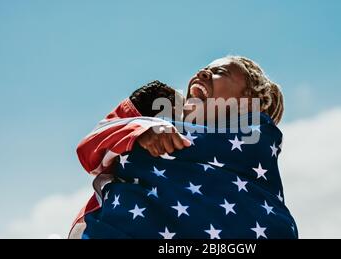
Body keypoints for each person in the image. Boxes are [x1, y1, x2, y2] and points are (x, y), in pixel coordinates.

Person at [69, 56, 297, 239]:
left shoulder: (256, 153)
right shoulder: (154, 124)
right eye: (205, 68)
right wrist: (140, 132)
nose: (202, 72)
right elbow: (90, 149)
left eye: (221, 72)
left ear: (246, 103)